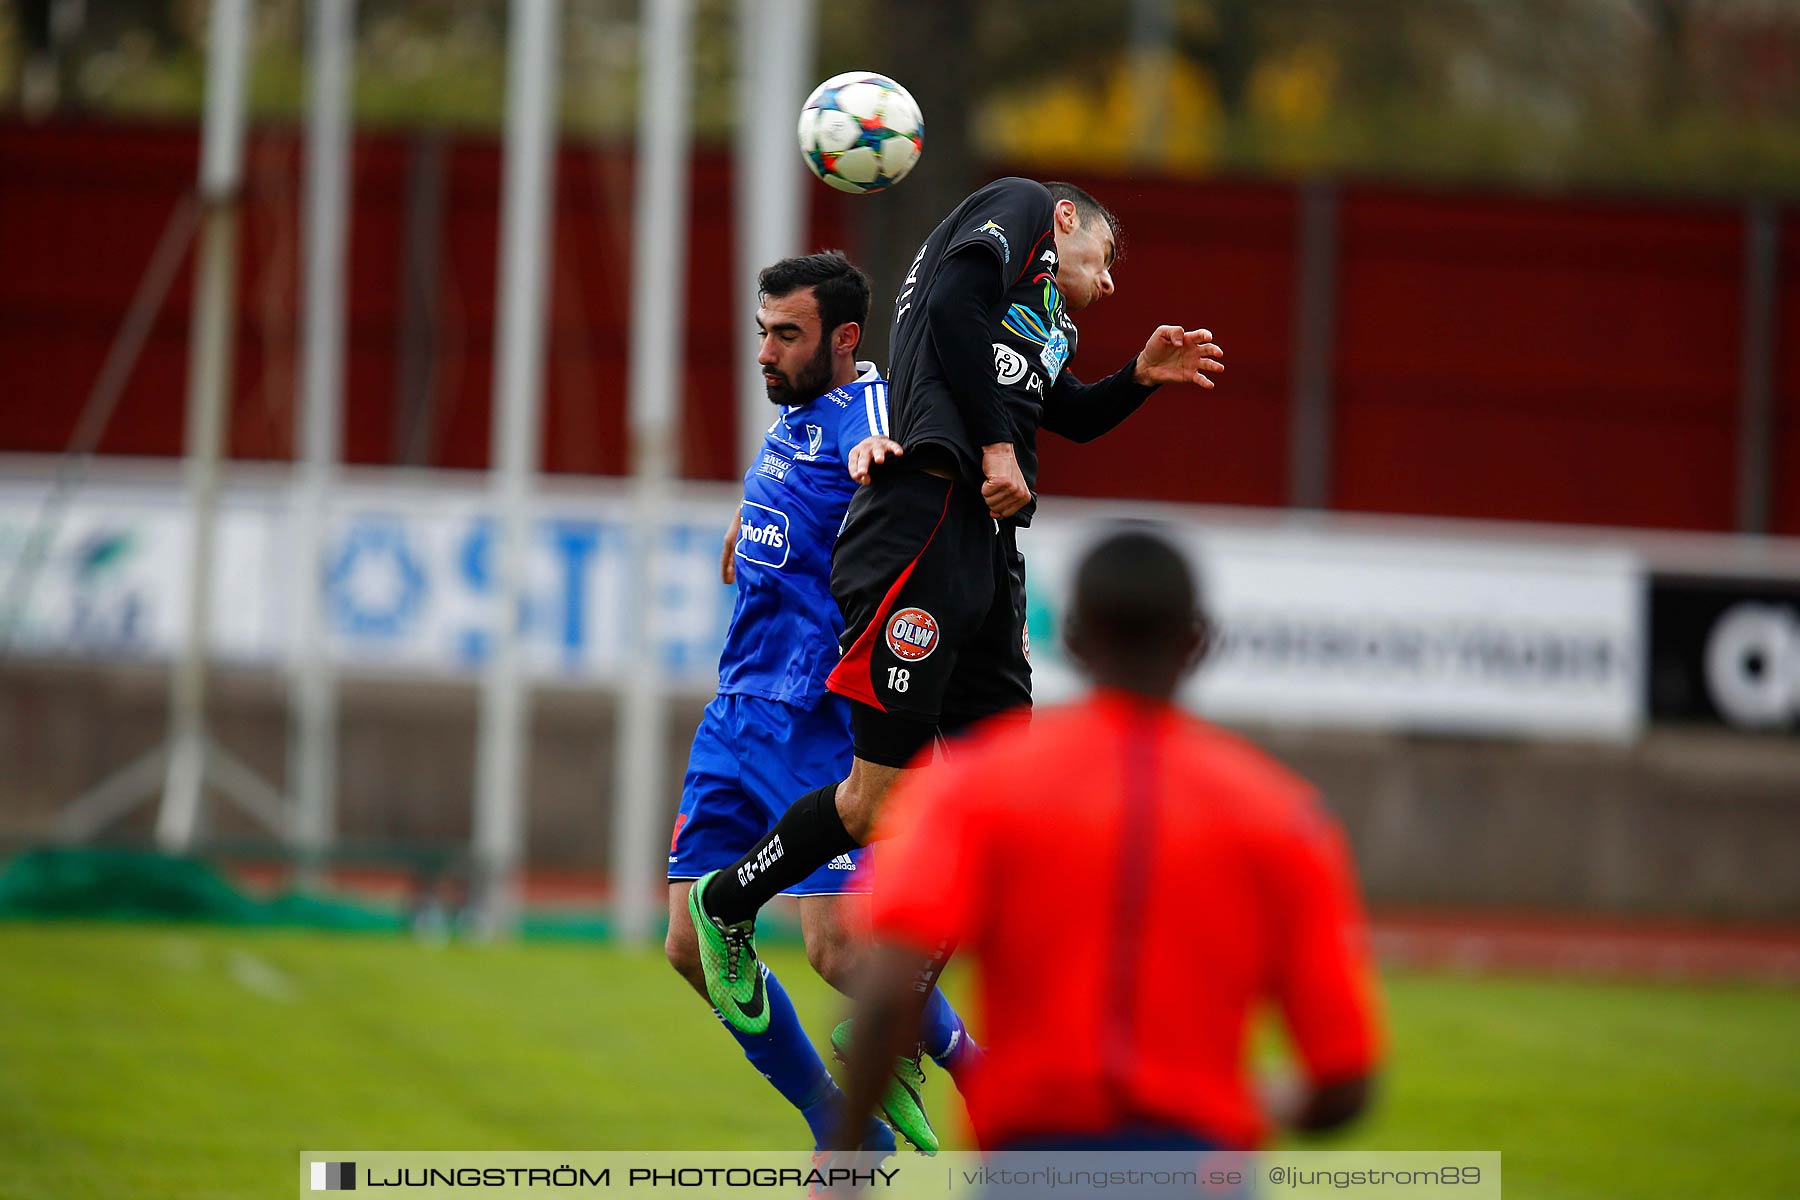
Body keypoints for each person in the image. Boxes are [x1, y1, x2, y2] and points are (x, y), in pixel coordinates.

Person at [688, 179, 1226, 1032]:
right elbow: (946, 307)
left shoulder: (1043, 318)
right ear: (1062, 222)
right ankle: (728, 902)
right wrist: (996, 445)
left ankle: (894, 1017)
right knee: (874, 802)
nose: (1111, 280)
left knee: (1009, 799)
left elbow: (1071, 415)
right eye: (1106, 255)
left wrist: (1138, 379)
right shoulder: (1014, 208)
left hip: (984, 546)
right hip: (923, 521)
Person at [837, 526, 1383, 1155]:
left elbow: (887, 992)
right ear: (1199, 642)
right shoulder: (1282, 817)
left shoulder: (978, 788)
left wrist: (846, 1173)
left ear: (1071, 637)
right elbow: (1345, 1079)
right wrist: (1234, 1100)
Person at [663, 251, 979, 1155]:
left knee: (839, 950)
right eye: (762, 331)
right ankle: (839, 1127)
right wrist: (745, 516)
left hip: (813, 719)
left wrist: (880, 461)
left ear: (844, 340)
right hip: (735, 711)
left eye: (786, 334)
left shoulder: (866, 412)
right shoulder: (796, 410)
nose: (766, 350)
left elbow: (873, 451)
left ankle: (972, 1067)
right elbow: (803, 481)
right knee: (691, 947)